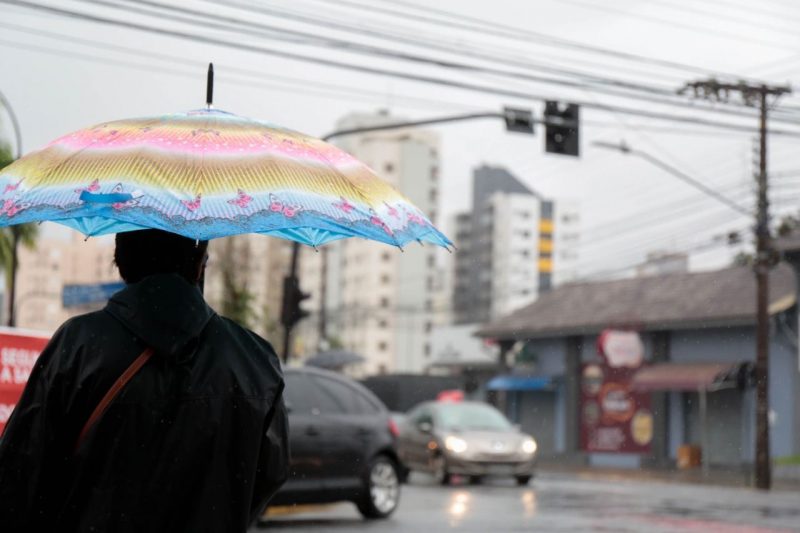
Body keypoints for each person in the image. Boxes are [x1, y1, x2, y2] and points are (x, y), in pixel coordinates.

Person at [0, 229, 289, 532]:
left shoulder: (78, 346)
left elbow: (19, 472)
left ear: (121, 261)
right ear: (200, 263)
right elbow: (269, 473)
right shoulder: (255, 359)